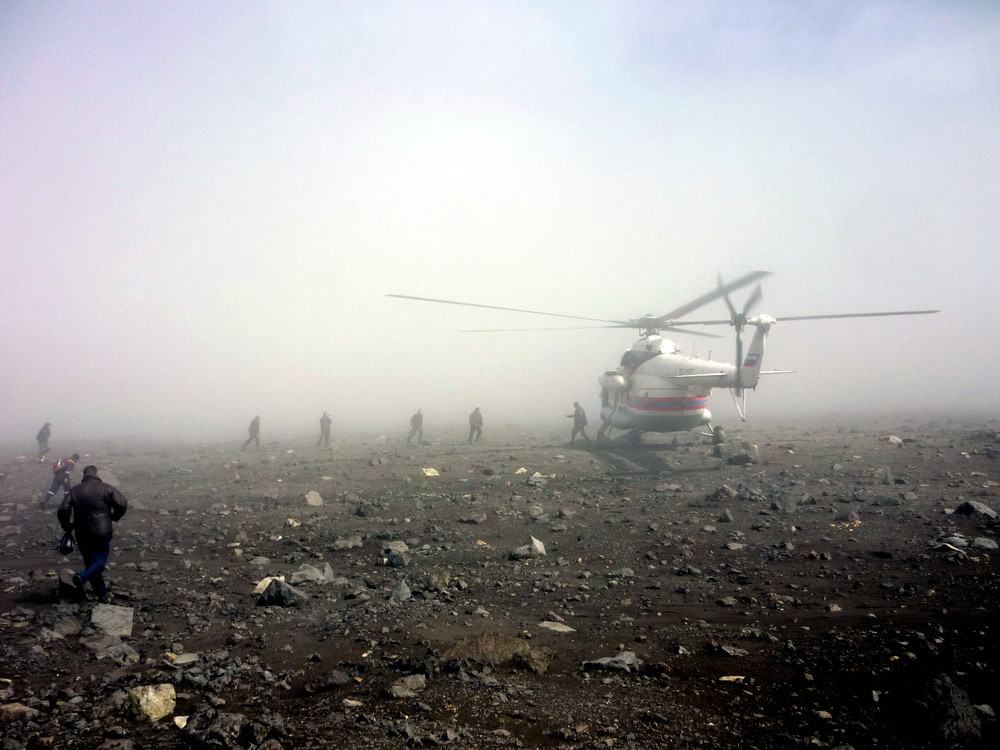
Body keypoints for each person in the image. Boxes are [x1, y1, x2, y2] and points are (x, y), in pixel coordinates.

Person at [58, 465, 127, 603]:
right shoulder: (107, 488)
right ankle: (83, 577)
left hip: (82, 532)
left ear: (84, 476)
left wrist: (68, 526)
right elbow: (122, 504)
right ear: (96, 474)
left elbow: (63, 510)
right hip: (102, 531)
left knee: (90, 563)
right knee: (99, 561)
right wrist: (114, 517)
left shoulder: (74, 490)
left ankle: (102, 595)